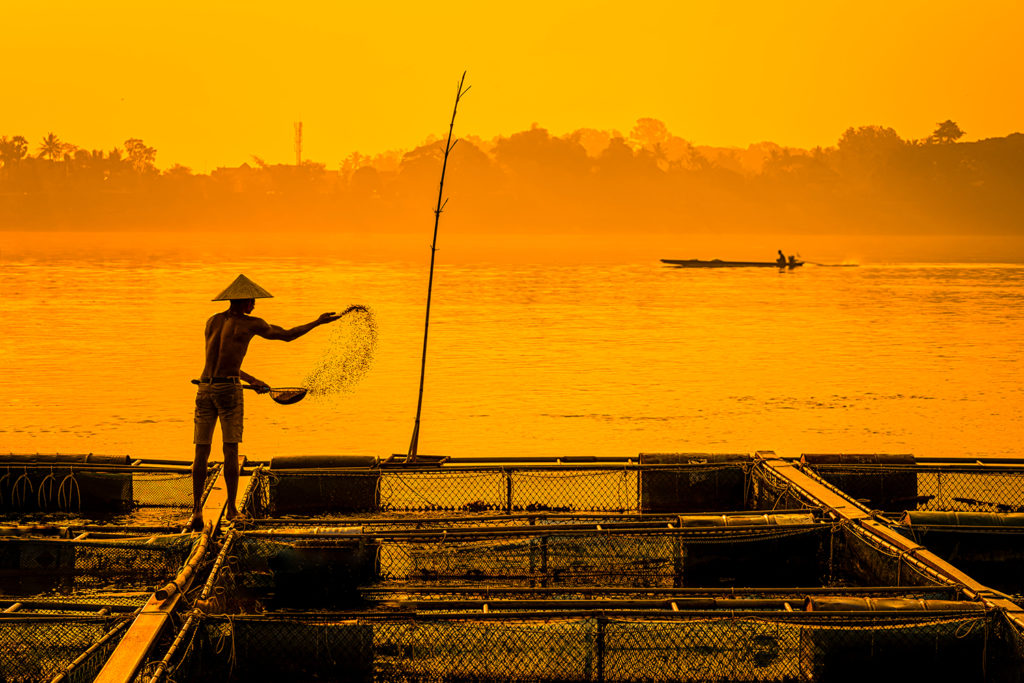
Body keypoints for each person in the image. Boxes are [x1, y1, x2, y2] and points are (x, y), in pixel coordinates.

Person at [190, 274, 344, 532]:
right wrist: (318, 322)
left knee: (201, 451)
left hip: (204, 388)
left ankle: (195, 511)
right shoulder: (250, 324)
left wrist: (254, 380)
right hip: (228, 391)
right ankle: (231, 510)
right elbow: (287, 336)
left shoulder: (212, 321)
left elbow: (221, 364)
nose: (255, 305)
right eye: (253, 300)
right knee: (230, 450)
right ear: (244, 299)